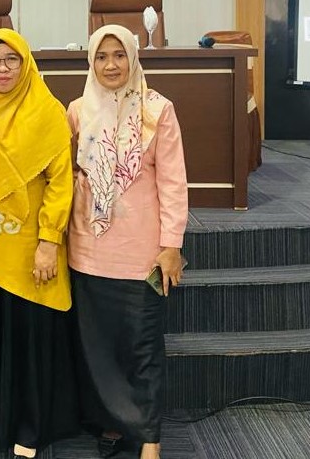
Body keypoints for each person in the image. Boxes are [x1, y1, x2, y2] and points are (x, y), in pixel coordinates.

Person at [0, 28, 79, 457]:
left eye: (12, 59)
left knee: (28, 338)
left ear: (25, 63)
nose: (3, 68)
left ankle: (29, 427)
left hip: (30, 246)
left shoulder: (46, 109)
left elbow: (61, 183)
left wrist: (49, 241)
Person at [67, 25, 188, 459]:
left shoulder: (158, 110)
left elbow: (173, 182)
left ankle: (149, 437)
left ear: (133, 58)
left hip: (143, 255)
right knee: (98, 348)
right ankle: (113, 423)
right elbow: (67, 177)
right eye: (101, 57)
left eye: (119, 55)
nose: (111, 65)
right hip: (88, 250)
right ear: (91, 62)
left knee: (142, 347)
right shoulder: (78, 111)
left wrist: (171, 245)